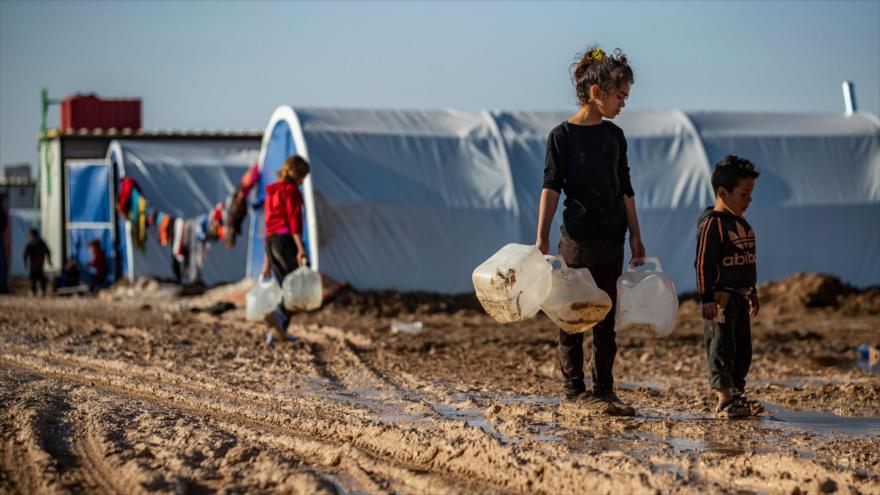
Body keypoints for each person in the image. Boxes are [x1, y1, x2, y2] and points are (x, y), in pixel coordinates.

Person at [535, 46, 644, 417]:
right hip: (577, 241)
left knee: (606, 318)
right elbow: (550, 188)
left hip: (612, 240)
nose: (622, 104)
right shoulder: (561, 137)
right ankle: (573, 389)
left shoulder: (615, 137)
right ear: (596, 93)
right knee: (572, 315)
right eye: (620, 96)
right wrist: (542, 237)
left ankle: (605, 390)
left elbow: (625, 188)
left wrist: (637, 237)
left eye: (626, 97)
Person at [696, 155, 762, 419]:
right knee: (721, 347)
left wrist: (753, 291)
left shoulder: (741, 222)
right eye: (744, 194)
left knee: (742, 350)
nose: (749, 200)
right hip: (721, 299)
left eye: (751, 194)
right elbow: (702, 263)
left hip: (741, 297)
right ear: (722, 192)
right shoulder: (713, 224)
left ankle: (737, 393)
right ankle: (724, 399)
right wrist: (706, 298)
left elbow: (748, 262)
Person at [260, 155, 311, 344]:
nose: (303, 181)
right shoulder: (292, 192)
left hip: (271, 242)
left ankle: (274, 335)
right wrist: (300, 247)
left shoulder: (272, 192)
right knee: (296, 288)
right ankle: (277, 314)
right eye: (303, 176)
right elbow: (294, 222)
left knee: (284, 287)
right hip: (285, 240)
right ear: (298, 175)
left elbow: (268, 227)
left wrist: (267, 262)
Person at [23, 228, 51, 297]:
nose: (29, 236)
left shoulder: (30, 243)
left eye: (29, 235)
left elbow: (25, 254)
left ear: (32, 235)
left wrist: (25, 263)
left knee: (33, 278)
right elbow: (48, 251)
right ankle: (42, 292)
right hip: (40, 264)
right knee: (41, 278)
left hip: (33, 264)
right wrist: (49, 261)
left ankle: (33, 292)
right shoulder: (42, 242)